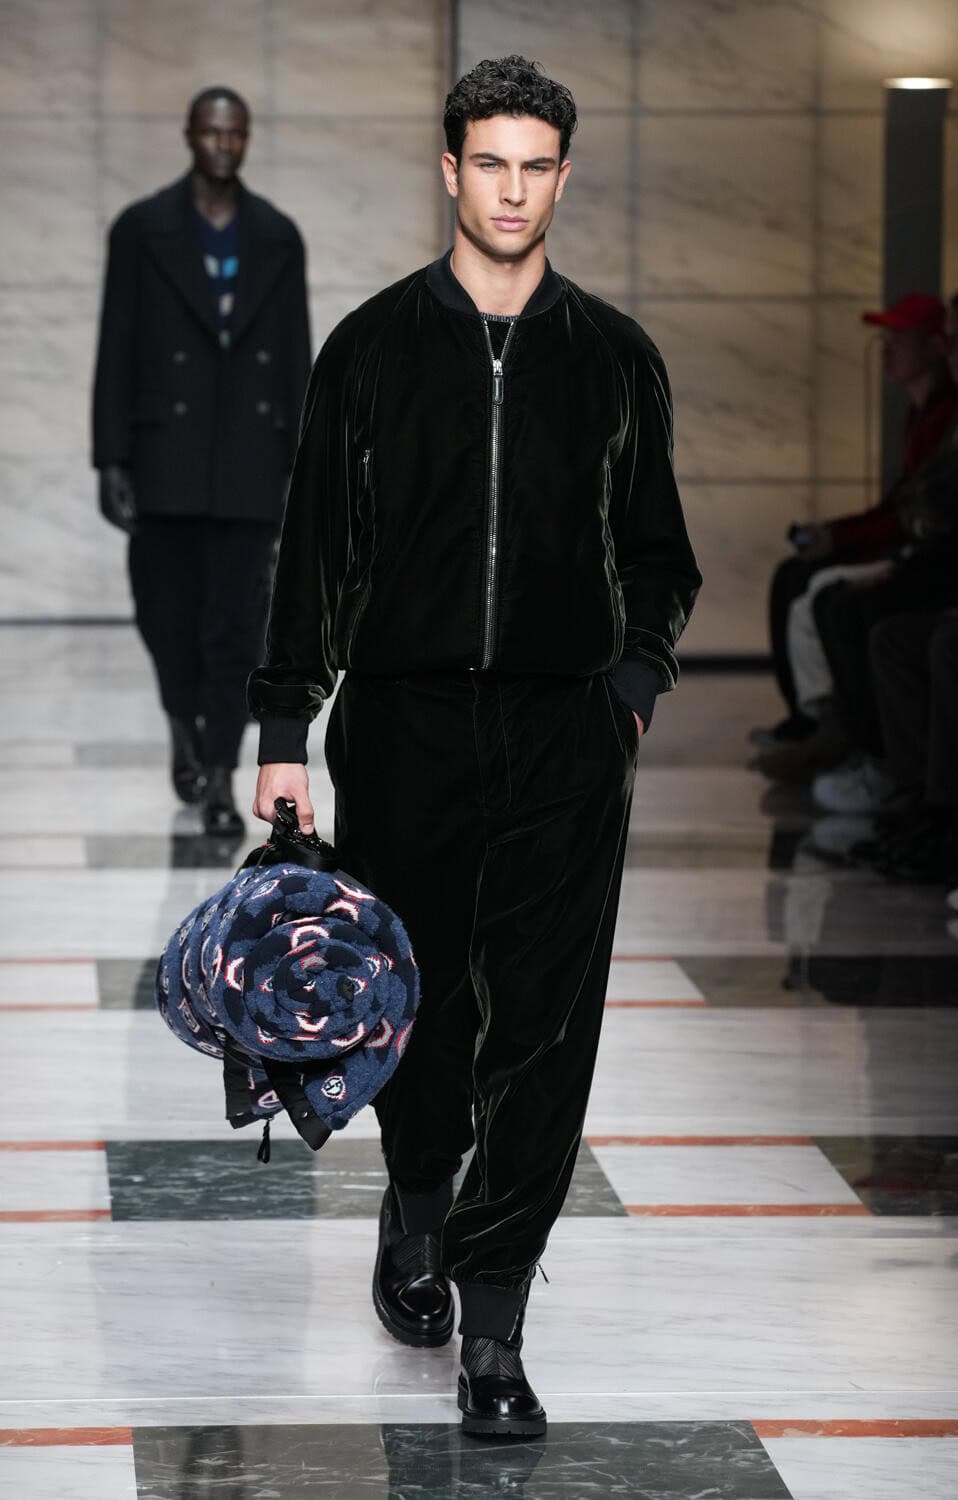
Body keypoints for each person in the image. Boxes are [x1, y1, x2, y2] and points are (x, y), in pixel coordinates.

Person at [248, 55, 700, 1439]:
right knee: (423, 1005)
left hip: (567, 734)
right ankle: (417, 1201)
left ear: (564, 176)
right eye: (488, 163)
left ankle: (495, 1320)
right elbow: (315, 545)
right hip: (406, 727)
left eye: (534, 166)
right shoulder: (372, 349)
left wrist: (629, 687)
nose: (511, 190)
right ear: (450, 169)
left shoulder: (614, 358)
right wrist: (286, 724)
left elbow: (659, 554)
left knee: (546, 1027)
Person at [92, 86, 311, 836]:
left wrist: (300, 465)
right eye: (213, 132)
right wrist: (110, 459)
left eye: (236, 133)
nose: (224, 145)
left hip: (249, 461)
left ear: (246, 139)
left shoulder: (277, 236)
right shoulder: (142, 229)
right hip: (165, 457)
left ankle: (219, 772)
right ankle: (181, 724)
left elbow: (294, 356)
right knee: (166, 616)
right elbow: (116, 346)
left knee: (237, 629)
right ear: (189, 135)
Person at [751, 292, 958, 758]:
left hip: (925, 554)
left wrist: (840, 537)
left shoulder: (948, 417)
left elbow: (912, 514)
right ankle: (812, 721)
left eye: (898, 340)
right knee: (794, 576)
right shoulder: (924, 415)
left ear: (934, 347)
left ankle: (845, 736)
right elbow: (900, 505)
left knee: (827, 597)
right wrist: (837, 533)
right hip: (904, 542)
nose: (887, 351)